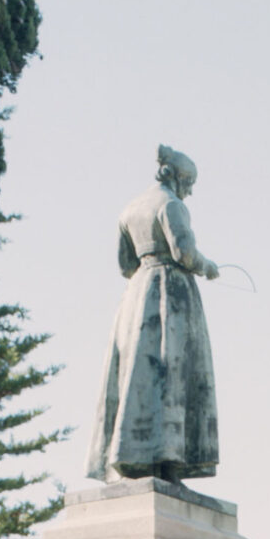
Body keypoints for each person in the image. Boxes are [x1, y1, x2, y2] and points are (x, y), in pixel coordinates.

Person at [88, 144, 221, 481]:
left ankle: (132, 456)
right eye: (189, 182)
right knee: (171, 372)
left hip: (136, 295)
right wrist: (207, 266)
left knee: (135, 375)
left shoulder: (130, 210)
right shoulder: (172, 206)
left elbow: (124, 264)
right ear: (177, 177)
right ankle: (168, 458)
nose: (190, 191)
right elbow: (184, 253)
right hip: (170, 294)